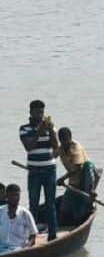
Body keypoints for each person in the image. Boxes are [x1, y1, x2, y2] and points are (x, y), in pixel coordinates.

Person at [19, 99, 59, 241]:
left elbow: (56, 148)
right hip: (34, 172)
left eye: (42, 112)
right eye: (37, 112)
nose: (40, 115)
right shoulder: (24, 129)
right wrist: (38, 132)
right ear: (30, 112)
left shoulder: (50, 128)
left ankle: (53, 236)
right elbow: (29, 147)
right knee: (33, 204)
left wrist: (51, 132)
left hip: (50, 171)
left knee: (50, 204)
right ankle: (32, 237)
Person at [54, 126, 95, 226]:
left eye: (66, 139)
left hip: (85, 179)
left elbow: (78, 168)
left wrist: (62, 179)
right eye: (62, 140)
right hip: (73, 181)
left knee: (81, 207)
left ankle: (89, 197)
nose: (65, 142)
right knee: (64, 208)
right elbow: (51, 157)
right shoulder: (60, 149)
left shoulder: (75, 147)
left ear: (70, 137)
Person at [0, 184, 38, 253]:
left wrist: (27, 247)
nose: (15, 198)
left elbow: (33, 235)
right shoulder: (1, 211)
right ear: (7, 196)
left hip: (18, 249)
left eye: (17, 195)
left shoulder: (25, 213)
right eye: (12, 195)